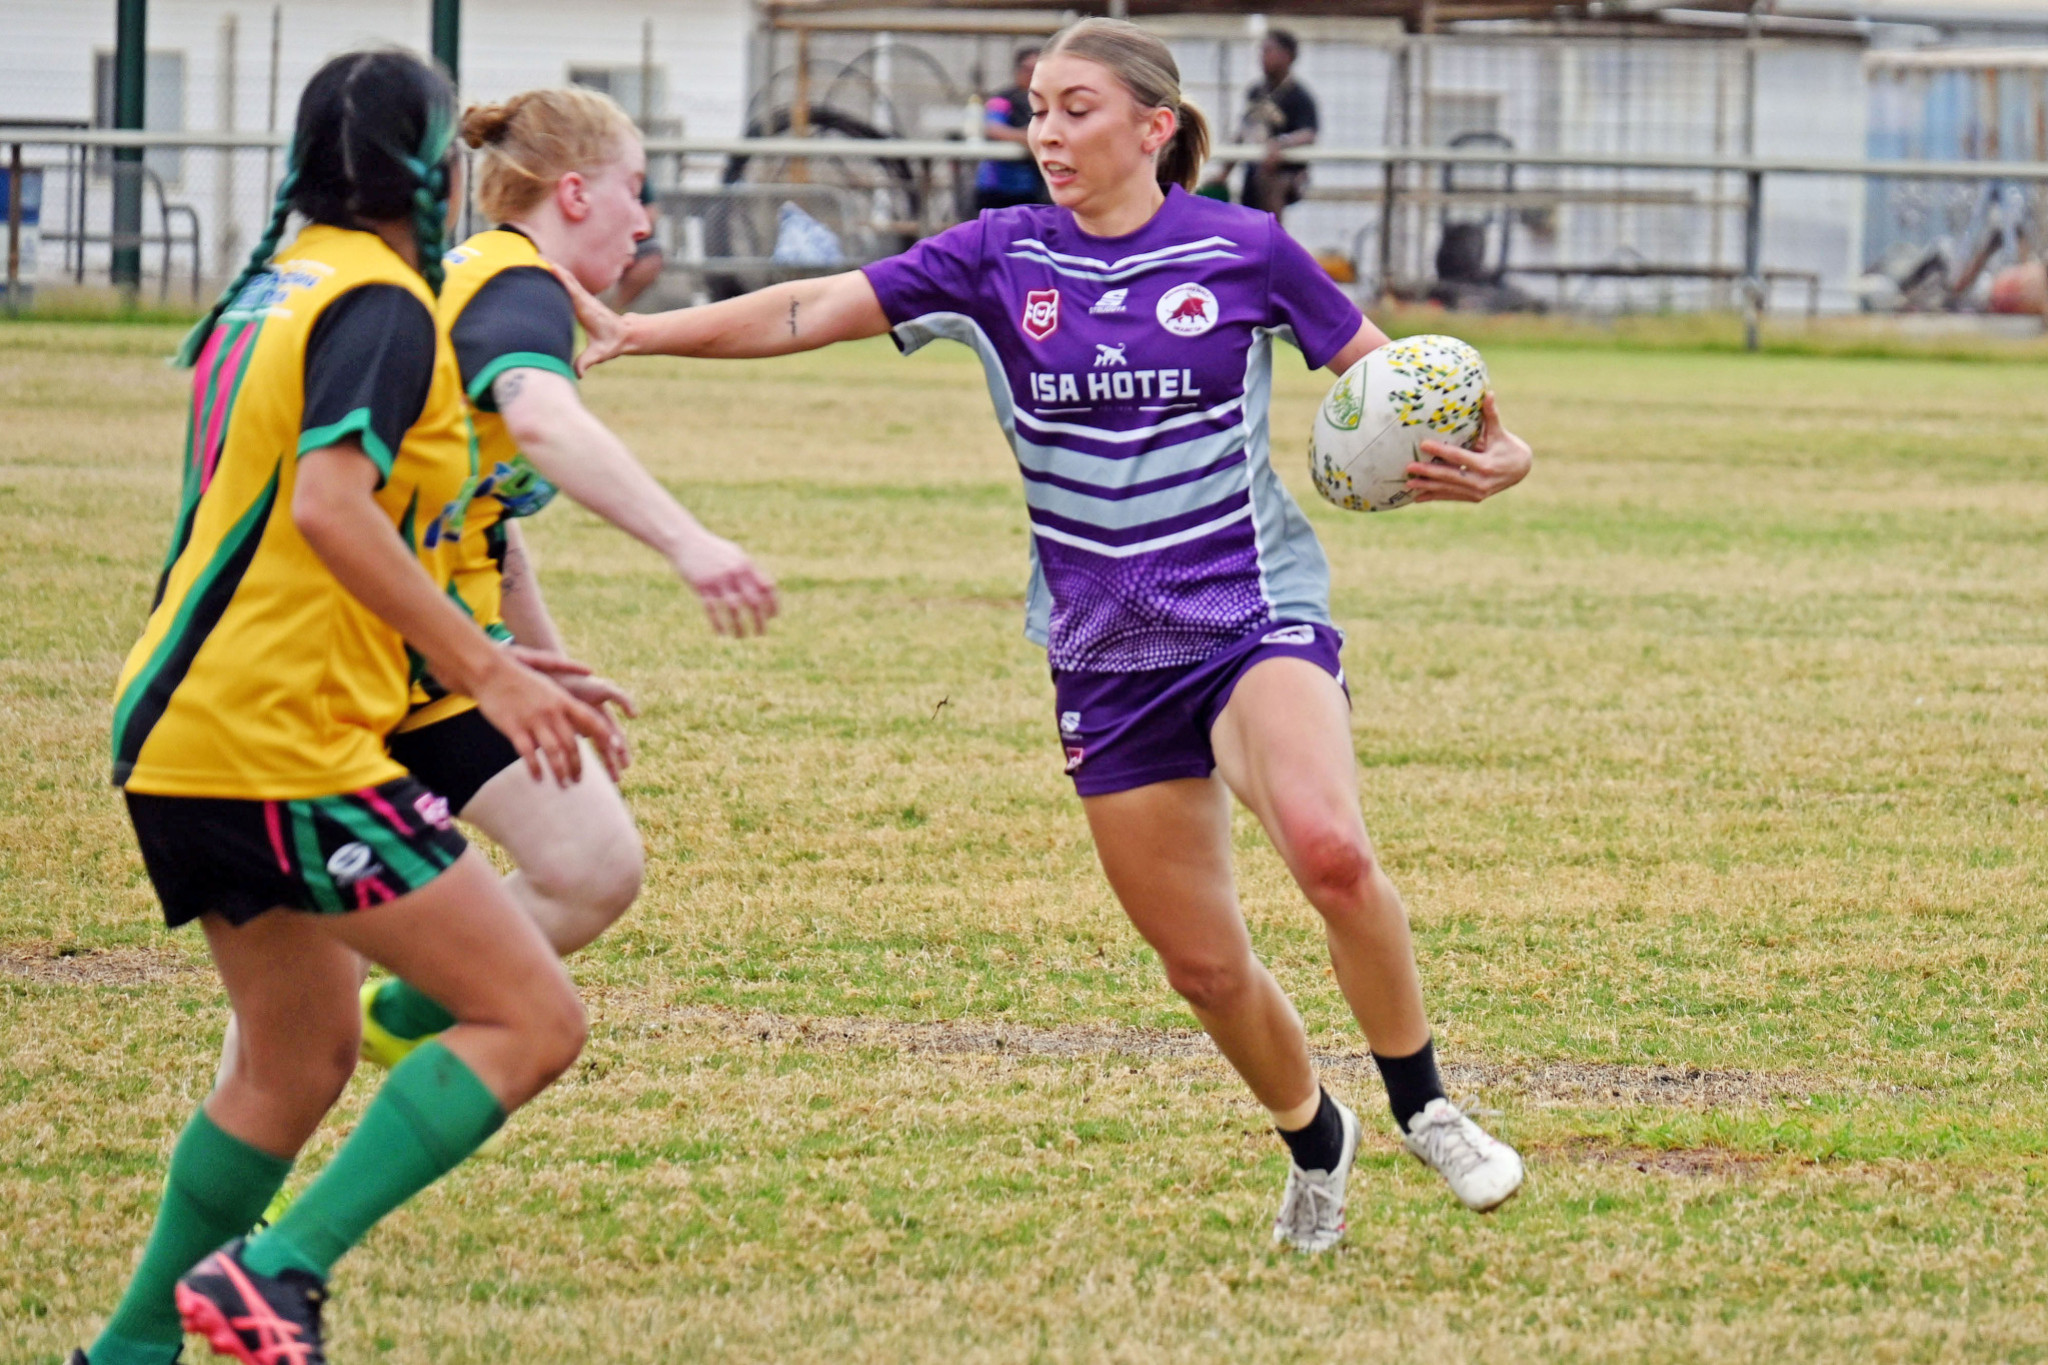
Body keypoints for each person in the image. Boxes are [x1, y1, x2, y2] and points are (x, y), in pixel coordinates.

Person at [552, 18, 1533, 1252]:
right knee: (1205, 971)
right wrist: (640, 334)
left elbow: (1411, 392)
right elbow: (812, 307)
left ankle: (1425, 1104)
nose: (1047, 134)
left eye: (1075, 109)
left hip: (1250, 616)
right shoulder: (995, 258)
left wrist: (1509, 449)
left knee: (1330, 852)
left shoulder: (1247, 250)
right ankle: (1312, 1134)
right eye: (1036, 110)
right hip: (1102, 652)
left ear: (1153, 127)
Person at [76, 49, 620, 1365]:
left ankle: (130, 1353)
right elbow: (328, 511)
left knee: (297, 1057)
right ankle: (278, 1272)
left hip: (188, 725)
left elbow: (320, 516)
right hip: (276, 741)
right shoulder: (379, 304)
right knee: (533, 1017)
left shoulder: (278, 282)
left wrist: (497, 640)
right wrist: (486, 671)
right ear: (432, 173)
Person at [347, 85, 779, 1084]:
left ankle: (399, 1015)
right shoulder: (515, 281)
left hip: (441, 654)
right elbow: (539, 423)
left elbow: (487, 515)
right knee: (309, 977)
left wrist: (537, 661)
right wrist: (689, 543)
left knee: (592, 866)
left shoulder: (505, 285)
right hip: (355, 656)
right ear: (575, 194)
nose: (647, 219)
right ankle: (276, 1175)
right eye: (637, 188)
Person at [1238, 29, 1317, 218]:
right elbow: (1243, 130)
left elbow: (1309, 133)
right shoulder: (1256, 92)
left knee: (1272, 184)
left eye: (1268, 51)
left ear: (1287, 56)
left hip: (1286, 174)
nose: (1262, 57)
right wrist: (1224, 172)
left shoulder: (1299, 95)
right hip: (1255, 169)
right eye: (1262, 51)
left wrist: (1280, 144)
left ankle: (1274, 241)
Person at [974, 45, 1049, 212]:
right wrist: (1025, 137)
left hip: (1034, 186)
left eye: (1036, 69)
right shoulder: (1003, 98)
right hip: (997, 185)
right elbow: (993, 128)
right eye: (1026, 69)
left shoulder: (1048, 100)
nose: (1031, 74)